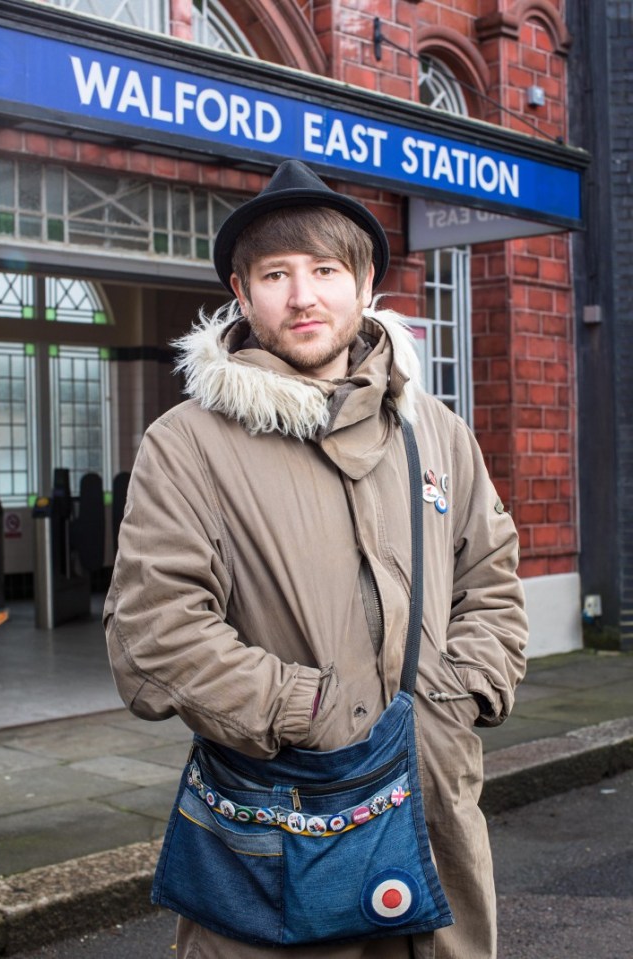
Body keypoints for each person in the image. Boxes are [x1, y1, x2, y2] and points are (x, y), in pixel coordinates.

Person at [104, 159, 528, 959]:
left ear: (365, 282)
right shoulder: (187, 444)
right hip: (283, 821)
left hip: (437, 817)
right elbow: (154, 634)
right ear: (242, 289)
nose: (303, 295)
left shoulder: (435, 430)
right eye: (276, 273)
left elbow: (491, 578)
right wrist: (312, 713)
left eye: (325, 269)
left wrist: (460, 693)